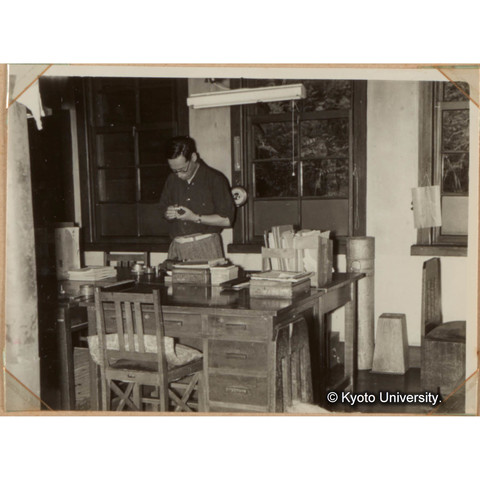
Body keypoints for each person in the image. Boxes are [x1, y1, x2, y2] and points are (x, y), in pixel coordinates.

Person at [159, 136, 235, 260]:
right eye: (174, 170)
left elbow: (226, 220)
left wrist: (194, 217)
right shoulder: (171, 180)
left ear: (193, 157)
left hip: (206, 246)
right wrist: (168, 213)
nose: (179, 175)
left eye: (182, 169)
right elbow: (162, 209)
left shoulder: (215, 179)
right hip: (177, 248)